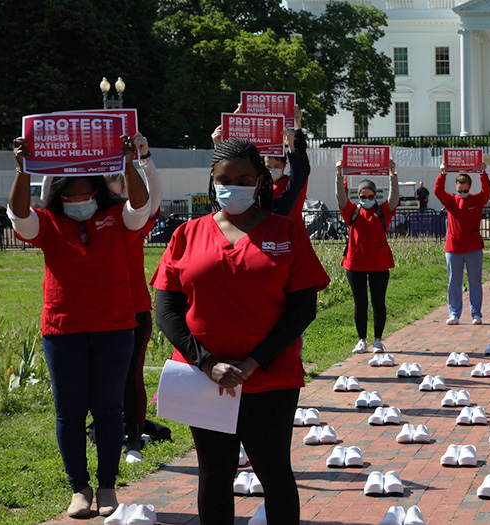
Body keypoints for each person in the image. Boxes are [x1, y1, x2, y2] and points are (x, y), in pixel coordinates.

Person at [153, 138, 330, 525]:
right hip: (205, 381)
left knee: (274, 473)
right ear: (212, 180)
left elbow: (303, 308)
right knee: (215, 474)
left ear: (261, 180)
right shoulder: (187, 235)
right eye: (224, 178)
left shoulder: (287, 232)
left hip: (270, 379)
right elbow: (166, 310)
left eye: (244, 177)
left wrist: (253, 362)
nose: (233, 185)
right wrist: (208, 364)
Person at [8, 135, 151, 519]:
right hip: (63, 331)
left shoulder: (117, 218)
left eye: (85, 195)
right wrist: (23, 169)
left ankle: (107, 487)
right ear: (57, 197)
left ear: (99, 193)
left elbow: (140, 206)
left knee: (108, 410)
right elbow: (19, 216)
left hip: (115, 329)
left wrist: (128, 161)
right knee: (68, 413)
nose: (78, 203)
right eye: (69, 198)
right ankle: (79, 489)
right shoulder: (48, 223)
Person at [108, 134, 164, 464]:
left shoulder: (132, 220)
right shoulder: (84, 218)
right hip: (97, 313)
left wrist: (144, 157)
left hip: (134, 310)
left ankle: (133, 436)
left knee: (131, 375)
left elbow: (154, 196)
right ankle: (108, 430)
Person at [335, 160, 400, 353]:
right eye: (363, 196)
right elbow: (340, 196)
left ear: (375, 195)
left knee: (378, 303)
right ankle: (362, 340)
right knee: (360, 303)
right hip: (355, 265)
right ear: (358, 196)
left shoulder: (382, 212)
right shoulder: (352, 212)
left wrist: (392, 174)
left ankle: (378, 340)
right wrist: (340, 174)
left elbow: (394, 197)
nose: (366, 199)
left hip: (379, 265)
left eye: (370, 196)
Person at [435, 162, 490, 325]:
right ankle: (454, 313)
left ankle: (476, 314)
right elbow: (438, 191)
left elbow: (487, 192)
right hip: (454, 248)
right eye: (460, 190)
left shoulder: (476, 200)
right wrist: (443, 174)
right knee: (454, 282)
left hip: (473, 247)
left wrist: (483, 173)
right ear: (456, 188)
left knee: (475, 282)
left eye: (465, 190)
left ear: (470, 187)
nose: (463, 193)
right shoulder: (451, 200)